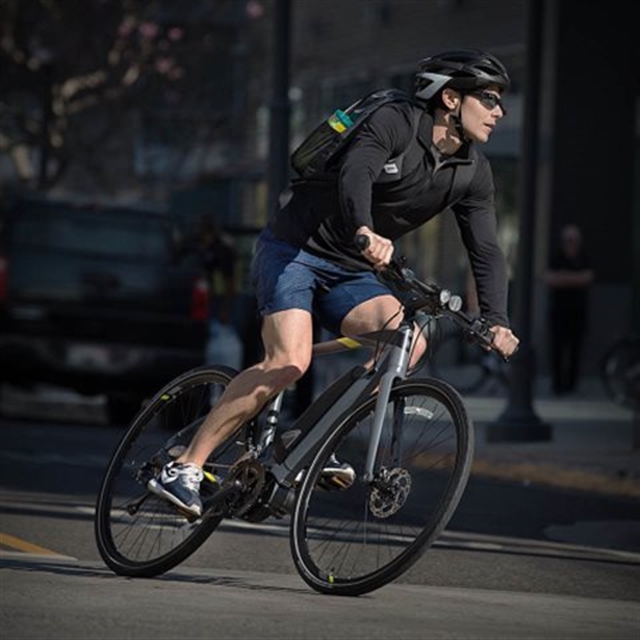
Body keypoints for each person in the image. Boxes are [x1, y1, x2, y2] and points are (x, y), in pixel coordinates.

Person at [148, 49, 520, 517]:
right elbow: (356, 173)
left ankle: (304, 442)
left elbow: (485, 248)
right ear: (450, 98)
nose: (499, 111)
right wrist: (364, 229)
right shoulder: (395, 121)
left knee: (408, 344)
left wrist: (496, 320)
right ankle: (184, 465)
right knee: (289, 361)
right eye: (488, 98)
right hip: (294, 251)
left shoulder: (472, 172)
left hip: (351, 271)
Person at [545, 224, 594, 395]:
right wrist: (574, 279)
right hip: (559, 312)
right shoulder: (557, 257)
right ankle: (557, 384)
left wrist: (564, 278)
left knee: (575, 349)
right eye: (568, 240)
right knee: (557, 348)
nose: (570, 244)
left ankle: (572, 385)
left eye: (573, 240)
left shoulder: (583, 258)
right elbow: (550, 278)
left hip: (578, 312)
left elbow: (587, 277)